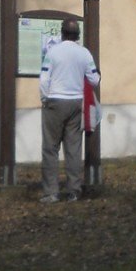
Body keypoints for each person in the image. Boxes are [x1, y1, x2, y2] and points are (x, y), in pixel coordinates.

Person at [39, 19, 100, 202]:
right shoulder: (84, 53)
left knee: (50, 148)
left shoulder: (53, 51)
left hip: (55, 101)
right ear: (77, 34)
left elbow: (44, 79)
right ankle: (74, 190)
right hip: (76, 102)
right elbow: (95, 79)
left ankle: (51, 192)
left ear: (62, 33)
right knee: (73, 148)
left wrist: (45, 98)